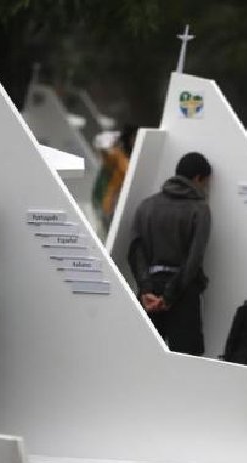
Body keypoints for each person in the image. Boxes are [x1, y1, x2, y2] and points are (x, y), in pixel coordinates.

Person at [128, 152, 212, 356]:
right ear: (198, 178)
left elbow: (135, 249)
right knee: (187, 358)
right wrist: (169, 296)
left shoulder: (146, 206)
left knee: (148, 356)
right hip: (183, 292)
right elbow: (194, 259)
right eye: (205, 183)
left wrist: (146, 289)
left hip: (150, 290)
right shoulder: (199, 209)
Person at [93, 124, 138, 229]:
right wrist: (114, 140)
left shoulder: (137, 157)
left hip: (129, 204)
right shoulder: (118, 155)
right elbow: (103, 149)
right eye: (133, 137)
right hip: (113, 203)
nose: (135, 141)